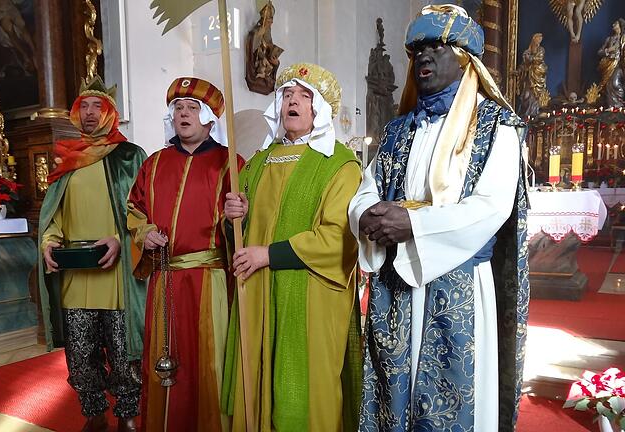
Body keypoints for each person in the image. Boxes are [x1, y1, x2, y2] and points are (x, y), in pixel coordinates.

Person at [349, 5, 530, 431]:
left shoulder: (495, 125)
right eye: (416, 50)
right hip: (397, 282)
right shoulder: (398, 130)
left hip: (459, 282)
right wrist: (368, 217)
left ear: (466, 57)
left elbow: (491, 206)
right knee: (394, 396)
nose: (423, 57)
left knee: (453, 405)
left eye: (436, 46)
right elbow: (366, 190)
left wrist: (412, 224)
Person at [222, 63, 363, 431]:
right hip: (257, 291)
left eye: (304, 95)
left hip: (310, 296)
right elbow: (240, 231)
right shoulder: (257, 162)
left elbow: (338, 238)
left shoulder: (340, 165)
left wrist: (269, 254)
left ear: (321, 108)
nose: (293, 102)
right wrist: (234, 215)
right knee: (259, 381)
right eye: (287, 95)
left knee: (303, 390)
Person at [127, 77, 242, 431]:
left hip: (209, 282)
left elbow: (243, 226)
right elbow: (134, 209)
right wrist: (144, 234)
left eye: (192, 108)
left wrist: (238, 216)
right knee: (166, 364)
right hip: (165, 279)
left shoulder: (230, 164)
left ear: (209, 118)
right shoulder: (155, 163)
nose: (184, 114)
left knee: (209, 363)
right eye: (178, 108)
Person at [37, 76, 146, 432]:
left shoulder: (129, 156)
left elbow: (143, 210)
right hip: (76, 272)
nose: (88, 113)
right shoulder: (66, 158)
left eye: (96, 106)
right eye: (82, 106)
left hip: (116, 271)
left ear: (110, 112)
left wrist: (118, 238)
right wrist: (49, 242)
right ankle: (94, 412)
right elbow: (54, 215)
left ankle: (127, 412)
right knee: (80, 351)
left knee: (121, 347)